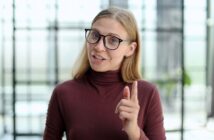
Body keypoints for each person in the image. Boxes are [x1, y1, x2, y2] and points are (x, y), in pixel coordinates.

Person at [43, 7, 166, 140]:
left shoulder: (147, 93)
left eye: (113, 40)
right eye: (95, 35)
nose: (98, 47)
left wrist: (134, 132)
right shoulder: (63, 93)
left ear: (130, 49)